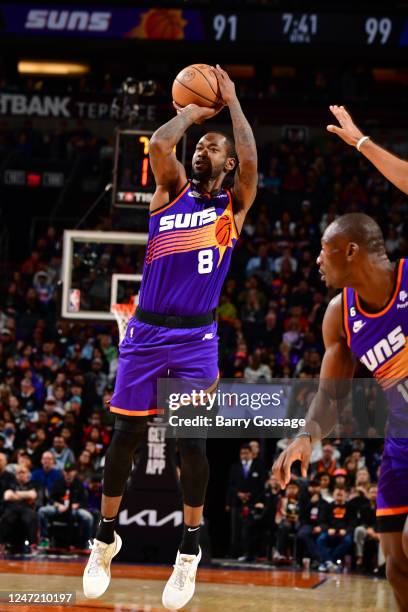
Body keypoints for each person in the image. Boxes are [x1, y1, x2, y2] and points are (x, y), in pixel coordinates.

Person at [83, 64, 257, 610]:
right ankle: (105, 537)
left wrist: (230, 105)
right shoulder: (169, 193)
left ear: (227, 165)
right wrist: (190, 112)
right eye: (199, 145)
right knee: (124, 440)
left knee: (191, 445)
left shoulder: (233, 208)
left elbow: (251, 160)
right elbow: (160, 145)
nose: (202, 149)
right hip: (146, 333)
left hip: (195, 340)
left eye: (213, 147)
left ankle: (188, 552)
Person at [273, 104, 408, 609]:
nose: (315, 260)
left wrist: (362, 143)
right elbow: (330, 398)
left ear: (351, 250)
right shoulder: (339, 316)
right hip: (401, 441)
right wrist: (305, 439)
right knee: (396, 562)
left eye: (324, 250)